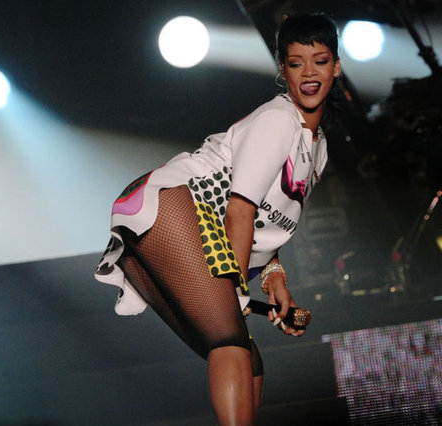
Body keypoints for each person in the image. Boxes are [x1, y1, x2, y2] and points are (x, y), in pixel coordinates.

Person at [95, 13, 341, 425]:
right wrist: (238, 289)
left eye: (320, 61)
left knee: (249, 358)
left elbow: (267, 222)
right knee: (230, 339)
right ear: (283, 71)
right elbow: (240, 210)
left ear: (336, 66)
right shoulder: (279, 119)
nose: (310, 73)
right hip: (174, 208)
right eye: (296, 63)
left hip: (190, 225)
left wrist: (274, 280)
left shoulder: (317, 149)